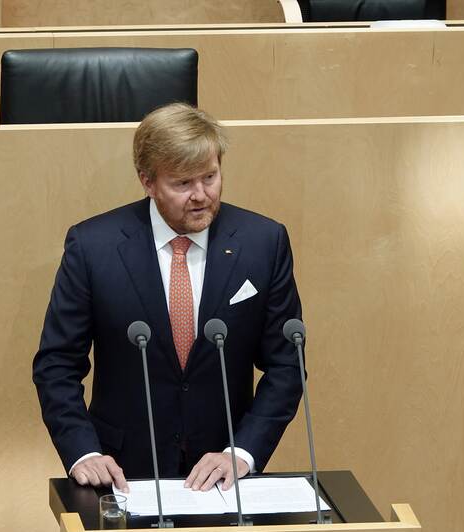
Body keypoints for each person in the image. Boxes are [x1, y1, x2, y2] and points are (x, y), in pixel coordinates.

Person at [33, 103, 303, 493]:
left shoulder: (264, 242)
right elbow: (56, 363)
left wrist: (243, 451)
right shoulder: (93, 247)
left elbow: (286, 365)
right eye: (182, 184)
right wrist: (82, 451)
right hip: (122, 474)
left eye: (210, 177)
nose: (200, 195)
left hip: (224, 478)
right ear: (147, 181)